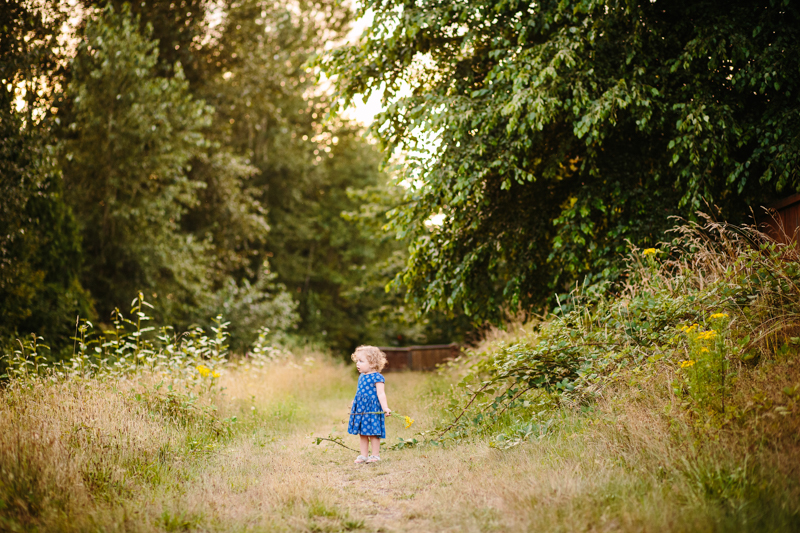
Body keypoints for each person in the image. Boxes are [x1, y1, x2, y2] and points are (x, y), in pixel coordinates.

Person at [348, 345, 391, 463]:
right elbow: (359, 391)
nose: (357, 364)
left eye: (361, 361)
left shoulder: (377, 377)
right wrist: (355, 402)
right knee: (362, 432)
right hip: (361, 408)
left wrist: (385, 407)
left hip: (372, 409)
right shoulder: (361, 376)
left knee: (373, 432)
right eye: (357, 361)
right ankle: (363, 455)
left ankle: (375, 455)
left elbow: (381, 394)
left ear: (372, 363)